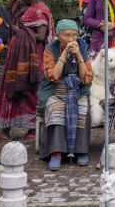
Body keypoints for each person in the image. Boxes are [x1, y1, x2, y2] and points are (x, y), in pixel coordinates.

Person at [0, 0, 54, 141]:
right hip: (19, 55)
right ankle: (6, 129)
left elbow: (41, 36)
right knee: (12, 89)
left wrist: (18, 30)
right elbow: (8, 7)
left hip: (31, 58)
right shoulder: (29, 8)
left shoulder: (39, 11)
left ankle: (31, 129)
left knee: (29, 92)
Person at [38, 19, 93, 170]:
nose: (71, 40)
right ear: (57, 35)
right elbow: (53, 76)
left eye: (74, 35)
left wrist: (79, 57)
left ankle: (81, 151)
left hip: (77, 90)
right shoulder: (50, 49)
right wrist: (63, 54)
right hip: (55, 90)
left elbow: (86, 77)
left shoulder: (82, 47)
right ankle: (56, 153)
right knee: (55, 109)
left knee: (82, 109)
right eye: (66, 35)